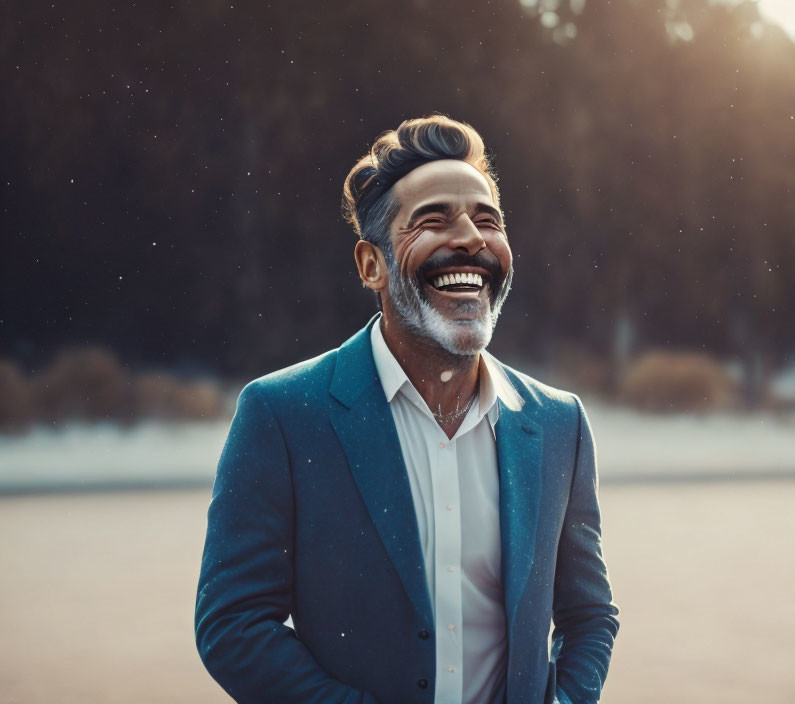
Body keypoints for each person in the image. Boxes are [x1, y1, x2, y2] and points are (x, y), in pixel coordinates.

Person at [195, 115, 619, 703]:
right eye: (434, 219)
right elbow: (233, 625)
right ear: (371, 265)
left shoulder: (558, 424)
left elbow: (590, 616)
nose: (471, 238)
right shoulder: (281, 415)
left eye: (487, 219)